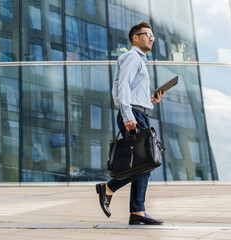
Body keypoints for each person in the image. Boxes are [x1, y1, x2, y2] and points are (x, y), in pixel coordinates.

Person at [96, 21, 165, 225]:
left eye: (153, 36)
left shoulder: (139, 61)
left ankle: (138, 212)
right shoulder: (132, 57)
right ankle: (108, 188)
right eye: (148, 35)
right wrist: (127, 114)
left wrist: (150, 100)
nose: (152, 38)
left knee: (144, 162)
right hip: (133, 114)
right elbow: (122, 87)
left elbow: (129, 89)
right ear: (136, 38)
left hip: (138, 112)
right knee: (146, 161)